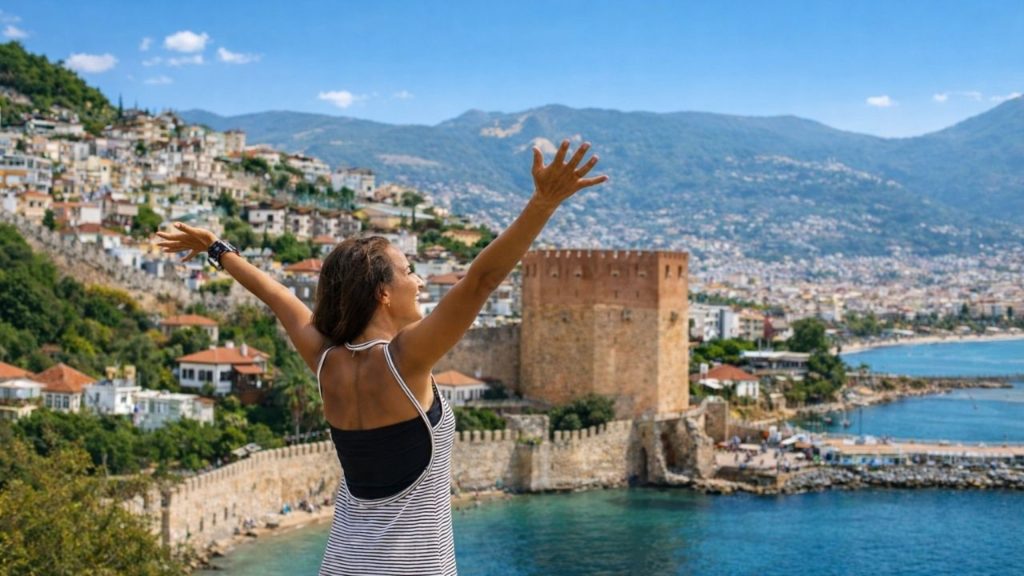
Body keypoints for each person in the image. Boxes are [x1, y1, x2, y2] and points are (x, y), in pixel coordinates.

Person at [155, 140, 606, 575]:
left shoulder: (325, 358)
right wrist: (542, 204)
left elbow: (276, 297)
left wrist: (216, 248)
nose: (422, 282)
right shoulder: (405, 361)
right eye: (410, 271)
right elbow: (481, 281)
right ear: (384, 293)